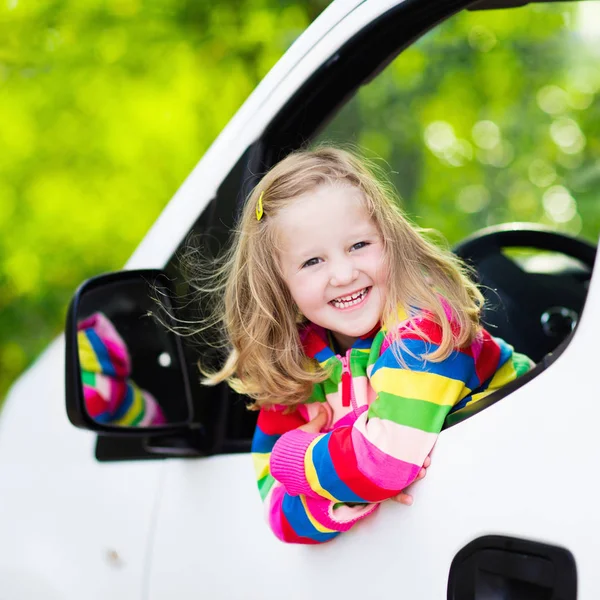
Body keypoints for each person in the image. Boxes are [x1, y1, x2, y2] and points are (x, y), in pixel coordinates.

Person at [200, 146, 533, 544]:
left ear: (390, 241)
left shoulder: (426, 330)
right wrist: (342, 493)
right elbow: (278, 515)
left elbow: (384, 465)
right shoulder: (297, 373)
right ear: (280, 286)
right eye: (312, 262)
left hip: (526, 486)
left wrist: (296, 454)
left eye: (359, 246)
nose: (343, 274)